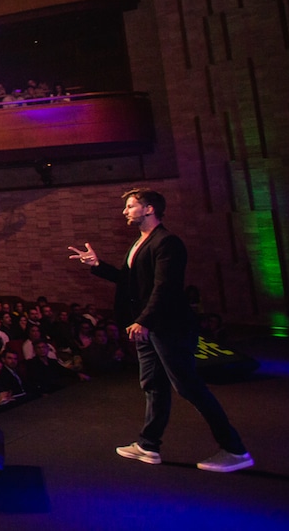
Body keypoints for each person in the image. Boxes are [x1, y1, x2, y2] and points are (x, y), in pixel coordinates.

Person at [69, 188, 252, 472]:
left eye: (130, 206)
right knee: (153, 385)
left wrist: (144, 320)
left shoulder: (167, 243)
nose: (125, 212)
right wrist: (97, 266)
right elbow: (131, 283)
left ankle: (235, 450)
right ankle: (148, 445)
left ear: (149, 209)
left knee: (189, 387)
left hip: (169, 327)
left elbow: (164, 288)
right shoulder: (139, 243)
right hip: (148, 327)